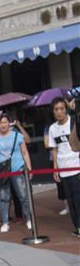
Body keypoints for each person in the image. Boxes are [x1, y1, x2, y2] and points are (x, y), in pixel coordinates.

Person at [0, 113, 33, 233]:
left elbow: (25, 152)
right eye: (0, 123)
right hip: (2, 172)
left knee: (23, 196)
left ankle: (29, 219)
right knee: (4, 198)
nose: (3, 125)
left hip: (17, 169)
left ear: (9, 123)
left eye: (5, 122)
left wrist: (29, 168)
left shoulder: (18, 136)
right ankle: (5, 222)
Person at [47, 97, 80, 236]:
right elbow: (54, 149)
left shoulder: (74, 123)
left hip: (76, 166)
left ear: (66, 109)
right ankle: (77, 227)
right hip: (63, 169)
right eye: (56, 109)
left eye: (61, 108)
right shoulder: (52, 128)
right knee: (70, 200)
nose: (59, 112)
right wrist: (55, 168)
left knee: (78, 199)